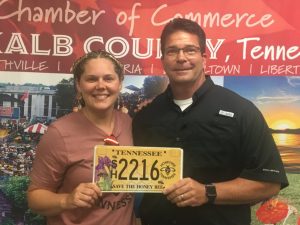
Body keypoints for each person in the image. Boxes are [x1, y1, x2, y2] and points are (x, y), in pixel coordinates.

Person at [132, 18, 288, 225]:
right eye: (172, 51)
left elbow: (269, 183)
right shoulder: (146, 116)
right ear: (162, 60)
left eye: (190, 50)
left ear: (203, 57)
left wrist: (208, 192)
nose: (181, 58)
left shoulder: (242, 111)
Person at [27, 50, 137, 225]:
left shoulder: (129, 124)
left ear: (120, 83)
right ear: (79, 85)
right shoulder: (59, 132)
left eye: (108, 78)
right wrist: (67, 200)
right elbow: (35, 198)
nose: (101, 86)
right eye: (92, 79)